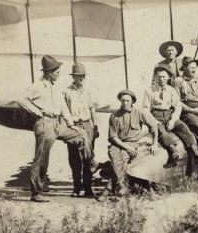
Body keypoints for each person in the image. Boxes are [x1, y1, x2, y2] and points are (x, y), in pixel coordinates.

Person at [19, 55, 94, 203]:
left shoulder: (56, 87)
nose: (59, 74)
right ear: (49, 72)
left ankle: (91, 162)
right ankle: (36, 193)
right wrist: (38, 112)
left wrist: (71, 124)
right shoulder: (37, 86)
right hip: (45, 123)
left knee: (82, 135)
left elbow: (63, 107)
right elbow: (22, 100)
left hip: (58, 125)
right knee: (42, 158)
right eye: (57, 72)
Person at [106, 89, 179, 196]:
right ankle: (120, 186)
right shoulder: (114, 116)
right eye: (123, 100)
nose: (125, 103)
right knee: (113, 153)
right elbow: (113, 136)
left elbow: (154, 126)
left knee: (122, 157)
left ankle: (114, 188)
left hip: (133, 142)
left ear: (132, 101)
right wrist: (125, 147)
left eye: (127, 101)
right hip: (118, 143)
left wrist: (154, 143)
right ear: (120, 101)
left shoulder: (139, 113)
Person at [143, 65, 198, 167]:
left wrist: (173, 120)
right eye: (159, 77)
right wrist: (153, 121)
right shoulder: (149, 91)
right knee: (161, 132)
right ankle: (173, 152)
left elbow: (177, 106)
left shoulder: (171, 90)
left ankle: (197, 155)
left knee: (184, 128)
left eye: (164, 77)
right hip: (156, 116)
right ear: (155, 77)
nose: (162, 79)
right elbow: (145, 109)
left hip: (169, 114)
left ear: (168, 77)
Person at [63, 62, 99, 198]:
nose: (82, 78)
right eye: (79, 76)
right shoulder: (66, 91)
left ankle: (88, 189)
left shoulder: (88, 91)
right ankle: (76, 188)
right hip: (73, 126)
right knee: (74, 158)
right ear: (74, 77)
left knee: (88, 157)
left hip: (87, 124)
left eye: (83, 75)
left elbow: (92, 109)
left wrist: (95, 126)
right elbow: (64, 110)